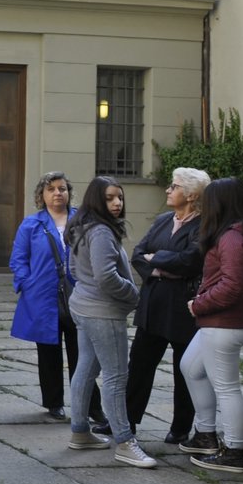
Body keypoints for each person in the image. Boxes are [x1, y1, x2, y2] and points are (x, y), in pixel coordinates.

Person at [178, 178, 243, 474]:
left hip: (223, 324)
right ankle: (205, 435)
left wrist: (200, 303)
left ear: (219, 204)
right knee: (191, 368)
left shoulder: (232, 237)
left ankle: (233, 452)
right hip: (226, 321)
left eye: (207, 202)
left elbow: (233, 285)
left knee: (227, 387)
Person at [66, 177, 155, 467]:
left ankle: (80, 432)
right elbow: (106, 277)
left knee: (85, 369)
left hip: (83, 306)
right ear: (96, 200)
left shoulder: (81, 226)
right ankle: (125, 442)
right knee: (116, 376)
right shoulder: (101, 231)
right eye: (109, 198)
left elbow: (73, 268)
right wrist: (133, 294)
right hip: (103, 312)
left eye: (119, 197)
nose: (117, 203)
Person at [9, 171, 105, 427]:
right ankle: (54, 403)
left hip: (78, 296)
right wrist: (25, 283)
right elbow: (18, 259)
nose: (57, 193)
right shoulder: (31, 224)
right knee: (48, 354)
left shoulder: (82, 220)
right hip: (42, 296)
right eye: (51, 189)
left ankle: (92, 406)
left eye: (62, 188)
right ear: (42, 194)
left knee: (83, 355)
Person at [124, 167, 210, 444]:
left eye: (174, 187)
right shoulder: (163, 219)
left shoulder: (204, 226)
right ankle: (127, 421)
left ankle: (180, 427)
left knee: (183, 369)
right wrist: (161, 268)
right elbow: (138, 254)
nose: (167, 190)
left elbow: (191, 261)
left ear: (191, 194)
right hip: (152, 305)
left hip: (182, 308)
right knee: (139, 366)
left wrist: (156, 259)